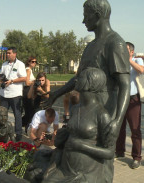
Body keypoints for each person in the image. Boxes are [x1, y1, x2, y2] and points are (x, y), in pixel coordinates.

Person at [42, 0, 130, 181]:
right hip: (85, 108)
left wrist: (117, 121)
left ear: (97, 15)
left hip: (105, 109)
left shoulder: (115, 43)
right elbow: (78, 79)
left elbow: (125, 85)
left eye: (86, 15)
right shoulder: (90, 47)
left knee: (101, 165)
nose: (83, 21)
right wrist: (56, 94)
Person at [43, 67, 114, 183]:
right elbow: (71, 133)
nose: (76, 81)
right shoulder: (75, 109)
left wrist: (81, 145)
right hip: (66, 167)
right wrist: (63, 135)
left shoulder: (102, 114)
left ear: (91, 84)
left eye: (80, 78)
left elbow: (109, 153)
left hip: (86, 172)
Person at [115, 42, 144, 169]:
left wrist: (129, 60)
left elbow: (141, 70)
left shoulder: (138, 60)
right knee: (119, 127)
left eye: (126, 49)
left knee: (135, 129)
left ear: (132, 52)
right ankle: (120, 151)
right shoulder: (118, 61)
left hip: (133, 99)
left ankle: (136, 157)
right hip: (120, 99)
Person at [0, 47, 26, 141]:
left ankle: (18, 134)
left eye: (9, 53)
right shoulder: (4, 64)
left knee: (17, 115)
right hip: (4, 94)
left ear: (15, 54)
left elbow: (24, 78)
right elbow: (0, 75)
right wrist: (2, 80)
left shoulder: (20, 64)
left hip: (15, 94)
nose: (7, 55)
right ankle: (3, 133)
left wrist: (12, 81)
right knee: (2, 115)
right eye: (7, 53)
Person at [22, 56, 37, 131]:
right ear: (28, 62)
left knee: (28, 110)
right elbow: (27, 82)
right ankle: (25, 126)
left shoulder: (29, 70)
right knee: (29, 110)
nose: (34, 63)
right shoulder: (28, 70)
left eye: (35, 62)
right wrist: (34, 82)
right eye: (33, 62)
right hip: (27, 91)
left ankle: (22, 124)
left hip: (28, 90)